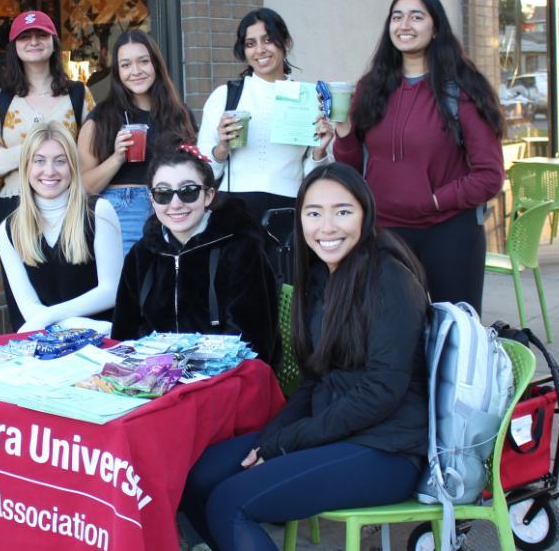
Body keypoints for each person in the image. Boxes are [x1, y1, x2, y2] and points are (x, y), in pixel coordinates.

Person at [179, 163, 429, 550]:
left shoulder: (388, 279)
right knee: (196, 479)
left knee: (231, 503)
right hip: (336, 430)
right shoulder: (321, 275)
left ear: (366, 213)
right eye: (314, 213)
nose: (327, 227)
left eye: (342, 212)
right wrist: (273, 437)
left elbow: (382, 390)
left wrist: (287, 443)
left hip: (386, 448)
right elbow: (314, 379)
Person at [333, 0, 504, 314]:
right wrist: (344, 134)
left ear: (435, 27)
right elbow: (352, 167)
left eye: (416, 16)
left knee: (452, 334)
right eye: (397, 17)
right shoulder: (371, 87)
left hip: (449, 233)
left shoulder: (462, 89)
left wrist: (435, 200)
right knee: (390, 334)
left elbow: (489, 176)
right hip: (385, 231)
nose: (404, 25)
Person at [111, 139, 279, 364]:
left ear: (208, 195)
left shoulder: (241, 248)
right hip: (151, 377)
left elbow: (252, 342)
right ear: (152, 199)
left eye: (188, 191)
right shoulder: (142, 254)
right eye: (163, 193)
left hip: (223, 376)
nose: (176, 203)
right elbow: (124, 334)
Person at [196, 7, 335, 225]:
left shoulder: (308, 98)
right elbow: (203, 174)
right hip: (233, 209)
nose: (260, 50)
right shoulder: (225, 96)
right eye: (250, 43)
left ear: (286, 43)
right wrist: (222, 148)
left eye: (268, 40)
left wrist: (320, 151)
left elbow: (315, 178)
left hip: (290, 209)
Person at [77, 29, 197, 255]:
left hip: (175, 207)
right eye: (125, 65)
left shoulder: (179, 115)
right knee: (132, 286)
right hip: (124, 211)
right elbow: (83, 187)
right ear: (117, 72)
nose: (136, 71)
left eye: (143, 61)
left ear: (155, 65)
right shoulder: (101, 119)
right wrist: (117, 158)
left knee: (174, 286)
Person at [0, 122, 123, 333]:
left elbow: (111, 291)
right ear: (26, 166)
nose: (49, 171)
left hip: (102, 340)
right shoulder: (8, 230)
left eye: (60, 161)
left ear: (72, 166)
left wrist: (50, 315)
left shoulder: (99, 212)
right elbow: (29, 310)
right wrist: (73, 324)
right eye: (39, 161)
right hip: (44, 345)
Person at [0, 10, 95, 221]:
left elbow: (95, 150)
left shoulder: (78, 94)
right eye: (25, 37)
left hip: (68, 202)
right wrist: (33, 149)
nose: (33, 42)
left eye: (41, 35)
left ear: (53, 42)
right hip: (16, 203)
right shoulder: (3, 99)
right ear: (15, 46)